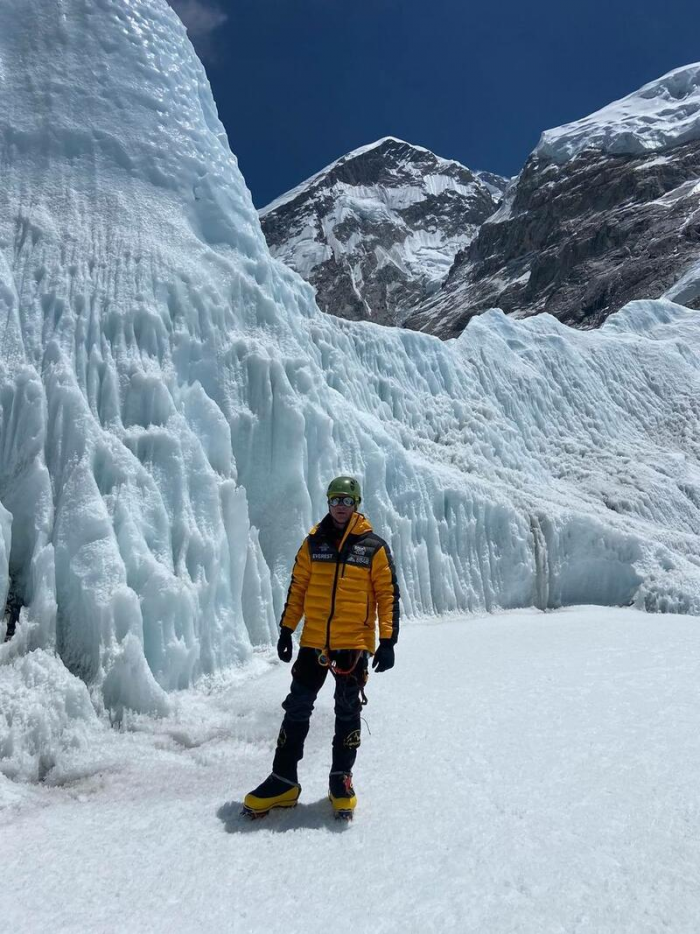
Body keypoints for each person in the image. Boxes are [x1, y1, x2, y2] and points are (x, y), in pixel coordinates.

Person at [243, 476, 400, 819]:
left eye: (347, 500)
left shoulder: (373, 547)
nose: (340, 506)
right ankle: (283, 778)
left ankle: (340, 779)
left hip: (353, 645)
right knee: (297, 706)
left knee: (347, 711)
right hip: (313, 641)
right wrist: (287, 630)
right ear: (328, 503)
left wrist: (388, 641)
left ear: (357, 504)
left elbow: (388, 595)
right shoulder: (313, 544)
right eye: (335, 499)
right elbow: (298, 587)